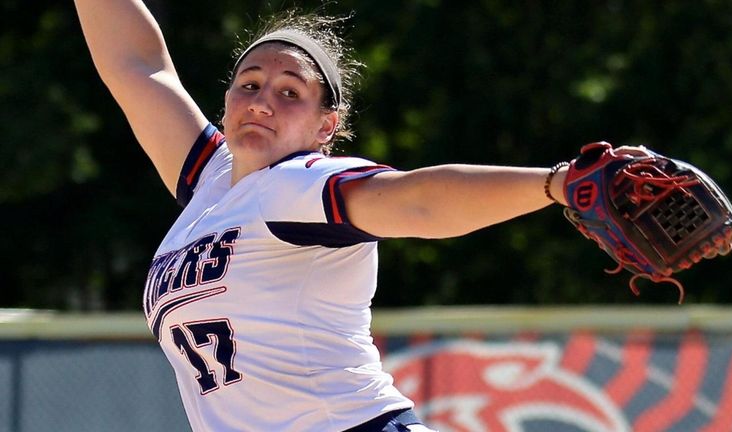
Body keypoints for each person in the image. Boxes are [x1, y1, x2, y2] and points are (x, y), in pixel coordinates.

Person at [74, 1, 572, 431]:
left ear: (325, 126)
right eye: (249, 85)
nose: (263, 102)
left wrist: (558, 184)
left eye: (290, 93)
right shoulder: (213, 182)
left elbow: (419, 200)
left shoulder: (299, 184)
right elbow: (137, 66)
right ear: (226, 103)